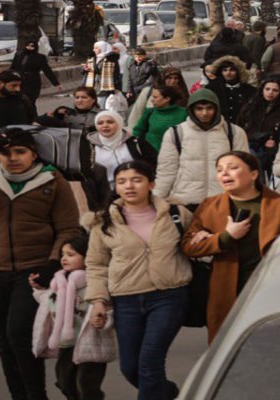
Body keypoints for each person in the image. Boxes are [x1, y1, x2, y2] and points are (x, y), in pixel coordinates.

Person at [0, 128, 83, 400]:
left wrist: (54, 262)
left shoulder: (52, 179)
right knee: (5, 339)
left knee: (19, 334)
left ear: (34, 153)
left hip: (33, 269)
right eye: (5, 153)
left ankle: (36, 395)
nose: (13, 158)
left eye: (20, 152)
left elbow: (68, 227)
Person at [86, 160, 192, 396]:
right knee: (130, 367)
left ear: (151, 184)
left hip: (169, 296)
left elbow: (196, 246)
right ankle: (170, 394)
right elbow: (96, 264)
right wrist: (98, 301)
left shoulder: (176, 213)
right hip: (126, 299)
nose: (129, 186)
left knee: (149, 363)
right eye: (122, 181)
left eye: (137, 180)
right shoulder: (103, 221)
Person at [182, 151, 280, 342]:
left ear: (254, 174)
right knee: (228, 348)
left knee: (274, 344)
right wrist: (225, 237)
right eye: (220, 170)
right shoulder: (210, 206)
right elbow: (189, 247)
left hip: (272, 287)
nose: (225, 174)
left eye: (233, 168)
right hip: (226, 289)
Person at [31, 234, 111, 400]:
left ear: (88, 256)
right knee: (64, 382)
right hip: (66, 343)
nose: (64, 259)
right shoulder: (58, 282)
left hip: (90, 343)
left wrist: (103, 319)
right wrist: (38, 290)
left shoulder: (94, 283)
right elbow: (49, 302)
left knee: (86, 383)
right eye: (63, 254)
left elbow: (108, 306)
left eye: (71, 254)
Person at [154, 90, 249, 208]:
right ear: (191, 110)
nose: (204, 113)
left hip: (223, 200)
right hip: (185, 201)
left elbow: (243, 170)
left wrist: (245, 199)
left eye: (209, 108)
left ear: (217, 109)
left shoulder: (234, 132)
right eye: (199, 108)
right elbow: (166, 171)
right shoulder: (176, 133)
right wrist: (156, 201)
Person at [80, 110, 139, 211]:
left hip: (135, 193)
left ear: (119, 123)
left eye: (110, 122)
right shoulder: (88, 147)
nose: (105, 125)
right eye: (100, 123)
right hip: (105, 199)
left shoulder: (135, 143)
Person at [130, 85, 189, 160]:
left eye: (155, 97)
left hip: (177, 156)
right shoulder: (149, 112)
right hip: (151, 157)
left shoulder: (184, 113)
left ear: (167, 99)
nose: (152, 100)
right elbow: (138, 131)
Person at [205, 57, 255, 124]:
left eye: (232, 70)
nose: (228, 73)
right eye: (225, 70)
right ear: (220, 72)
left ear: (238, 72)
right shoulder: (212, 88)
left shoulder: (249, 90)